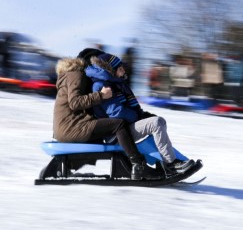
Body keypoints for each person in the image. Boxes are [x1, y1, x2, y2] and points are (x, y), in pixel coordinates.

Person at [53, 48, 163, 180]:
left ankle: (70, 165)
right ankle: (138, 165)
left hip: (68, 127)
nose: (99, 65)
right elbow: (75, 103)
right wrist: (101, 95)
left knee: (109, 133)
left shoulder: (74, 75)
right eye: (96, 61)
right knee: (118, 125)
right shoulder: (76, 74)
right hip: (71, 128)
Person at [84, 52, 195, 174]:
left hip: (126, 126)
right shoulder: (102, 86)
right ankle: (170, 164)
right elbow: (116, 113)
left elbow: (129, 109)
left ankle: (164, 162)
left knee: (158, 121)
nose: (123, 72)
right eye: (120, 69)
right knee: (156, 123)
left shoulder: (117, 83)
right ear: (110, 70)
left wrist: (143, 115)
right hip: (117, 133)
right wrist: (139, 117)